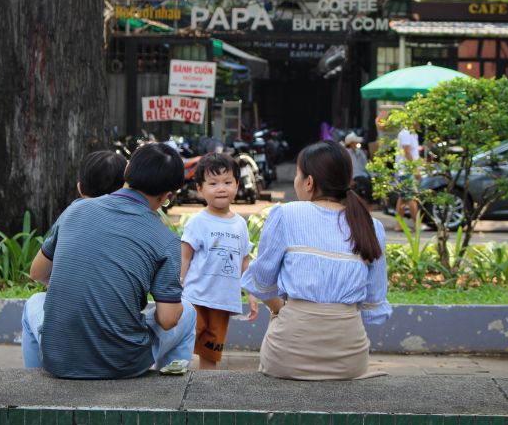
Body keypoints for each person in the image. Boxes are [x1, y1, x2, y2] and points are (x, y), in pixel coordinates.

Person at [21, 143, 196, 379]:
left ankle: (33, 382)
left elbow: (37, 272)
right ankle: (169, 391)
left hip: (58, 359)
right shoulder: (165, 239)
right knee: (189, 313)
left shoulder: (76, 210)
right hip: (123, 364)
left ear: (127, 172)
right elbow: (167, 320)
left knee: (34, 302)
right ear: (167, 195)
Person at [240, 140, 391, 380]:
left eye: (298, 174)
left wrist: (283, 311)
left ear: (309, 182)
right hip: (349, 359)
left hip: (287, 355)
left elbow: (262, 280)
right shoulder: (371, 226)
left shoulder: (286, 214)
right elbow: (374, 304)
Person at [179, 153, 257, 370]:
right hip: (195, 296)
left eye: (227, 182)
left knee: (211, 352)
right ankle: (172, 383)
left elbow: (244, 260)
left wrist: (251, 294)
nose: (221, 188)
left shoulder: (240, 224)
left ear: (237, 185)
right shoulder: (198, 222)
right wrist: (178, 285)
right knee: (183, 341)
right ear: (200, 188)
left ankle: (205, 389)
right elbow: (185, 256)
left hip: (222, 301)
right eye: (213, 183)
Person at [394, 122, 422, 231]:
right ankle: (417, 225)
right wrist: (415, 169)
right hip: (406, 170)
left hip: (407, 169)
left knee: (403, 198)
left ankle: (399, 225)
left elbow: (414, 153)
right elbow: (407, 152)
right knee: (411, 198)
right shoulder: (405, 133)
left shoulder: (414, 134)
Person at [343, 132, 371, 201]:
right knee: (366, 183)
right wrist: (350, 179)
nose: (356, 144)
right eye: (355, 142)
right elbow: (345, 167)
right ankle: (369, 202)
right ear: (351, 143)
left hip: (363, 174)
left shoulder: (360, 152)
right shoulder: (346, 153)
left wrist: (372, 175)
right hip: (355, 176)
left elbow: (366, 165)